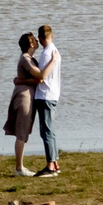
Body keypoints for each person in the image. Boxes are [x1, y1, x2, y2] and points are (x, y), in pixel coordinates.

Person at [5, 32, 42, 175]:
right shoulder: (26, 58)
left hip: (28, 96)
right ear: (31, 44)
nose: (38, 41)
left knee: (24, 131)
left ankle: (20, 166)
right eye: (35, 40)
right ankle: (19, 168)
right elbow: (39, 76)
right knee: (21, 132)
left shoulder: (30, 58)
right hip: (23, 97)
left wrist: (21, 80)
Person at [31, 23, 62, 176]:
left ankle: (50, 165)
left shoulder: (46, 53)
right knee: (50, 130)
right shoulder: (55, 51)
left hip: (45, 96)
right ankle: (54, 162)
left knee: (47, 131)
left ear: (41, 38)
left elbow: (41, 77)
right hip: (53, 94)